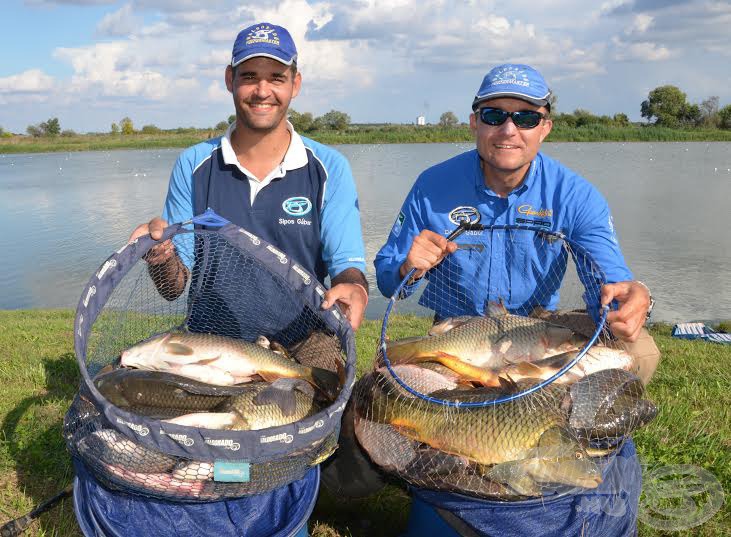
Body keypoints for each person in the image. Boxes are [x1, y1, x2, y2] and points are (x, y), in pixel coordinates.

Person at [72, 22, 368, 537]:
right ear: (230, 80)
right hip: (211, 340)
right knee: (168, 429)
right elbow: (173, 285)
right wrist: (161, 254)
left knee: (289, 425)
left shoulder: (328, 168)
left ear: (295, 84)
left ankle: (278, 490)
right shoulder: (195, 164)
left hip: (302, 341)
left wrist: (355, 287)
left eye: (276, 77)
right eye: (250, 76)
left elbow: (346, 263)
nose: (262, 90)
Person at [372, 64, 660, 536]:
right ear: (473, 122)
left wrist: (631, 297)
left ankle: (569, 432)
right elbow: (386, 280)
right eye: (494, 114)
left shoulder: (574, 194)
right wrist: (407, 264)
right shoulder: (432, 185)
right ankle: (460, 468)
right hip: (459, 333)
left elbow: (609, 284)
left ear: (545, 125)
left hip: (536, 327)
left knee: (641, 350)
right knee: (391, 380)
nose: (509, 129)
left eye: (526, 117)